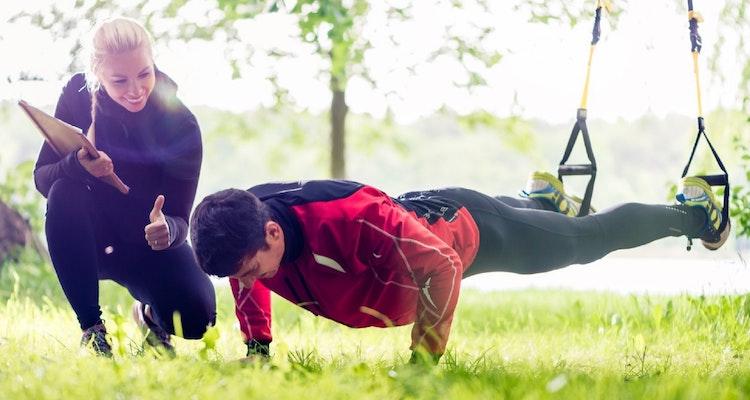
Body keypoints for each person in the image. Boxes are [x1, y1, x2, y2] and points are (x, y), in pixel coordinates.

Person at [189, 173, 729, 365]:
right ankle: (541, 198)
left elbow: (442, 266)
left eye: (249, 271)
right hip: (421, 217)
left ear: (273, 234)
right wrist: (258, 351)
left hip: (467, 233)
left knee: (582, 242)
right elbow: (246, 278)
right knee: (526, 218)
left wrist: (423, 365)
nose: (249, 285)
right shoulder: (248, 227)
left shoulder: (351, 219)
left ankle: (693, 213)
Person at [33, 17, 215, 357]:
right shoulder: (77, 97)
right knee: (63, 190)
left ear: (153, 62)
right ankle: (93, 329)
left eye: (144, 74)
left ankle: (150, 317)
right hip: (91, 239)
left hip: (148, 243)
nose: (135, 89)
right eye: (119, 80)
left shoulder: (180, 121)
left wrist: (168, 230)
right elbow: (43, 177)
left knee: (197, 318)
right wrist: (78, 166)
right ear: (97, 75)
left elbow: (180, 217)